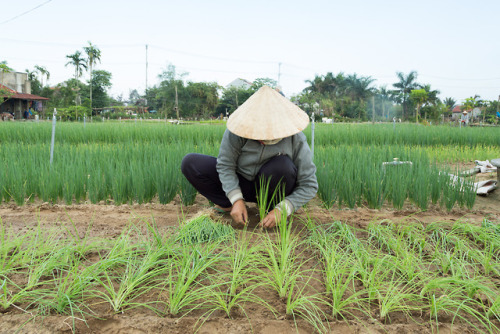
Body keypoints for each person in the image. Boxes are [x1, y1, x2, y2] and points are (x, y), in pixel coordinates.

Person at [181, 85, 318, 228]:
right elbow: (225, 165)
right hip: (242, 181)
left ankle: (271, 209)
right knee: (191, 163)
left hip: (272, 184)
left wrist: (284, 208)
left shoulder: (296, 138)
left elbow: (309, 184)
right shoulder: (238, 130)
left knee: (282, 166)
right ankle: (228, 205)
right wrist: (236, 199)